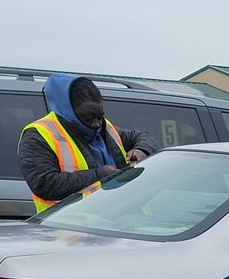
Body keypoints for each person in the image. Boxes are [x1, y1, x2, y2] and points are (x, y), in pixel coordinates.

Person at [17, 73, 160, 211]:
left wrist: (141, 150)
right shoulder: (38, 134)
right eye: (88, 117)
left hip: (124, 221)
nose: (97, 124)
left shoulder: (105, 128)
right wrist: (100, 175)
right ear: (67, 111)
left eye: (100, 116)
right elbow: (44, 184)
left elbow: (143, 137)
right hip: (69, 227)